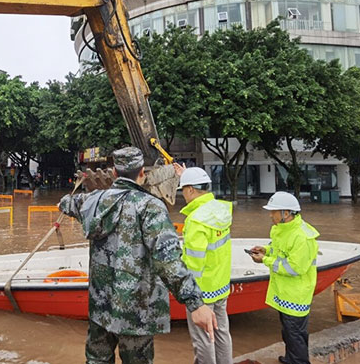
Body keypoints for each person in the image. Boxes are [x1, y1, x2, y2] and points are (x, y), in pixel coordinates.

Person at [58, 146, 217, 364]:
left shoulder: (93, 201)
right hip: (136, 313)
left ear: (114, 173)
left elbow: (67, 203)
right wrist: (195, 303)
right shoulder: (151, 206)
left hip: (101, 308)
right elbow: (168, 260)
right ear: (142, 172)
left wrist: (72, 200)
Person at [248, 192, 320, 364]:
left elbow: (294, 267)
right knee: (289, 331)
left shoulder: (302, 237)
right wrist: (266, 250)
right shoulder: (281, 230)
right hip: (285, 292)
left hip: (296, 294)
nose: (270, 215)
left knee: (295, 334)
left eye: (274, 211)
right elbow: (279, 250)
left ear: (286, 213)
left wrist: (264, 260)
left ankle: (298, 361)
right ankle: (291, 359)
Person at [174, 164, 233, 364]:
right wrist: (186, 174)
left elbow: (193, 263)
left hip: (201, 293)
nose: (183, 195)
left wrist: (189, 293)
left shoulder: (196, 221)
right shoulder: (221, 210)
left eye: (183, 190)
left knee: (204, 337)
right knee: (221, 331)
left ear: (190, 190)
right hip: (221, 285)